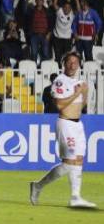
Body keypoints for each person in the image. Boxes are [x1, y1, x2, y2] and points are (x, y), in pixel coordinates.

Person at [30, 52, 96, 209]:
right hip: (65, 123)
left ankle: (75, 197)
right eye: (70, 62)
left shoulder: (79, 82)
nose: (73, 65)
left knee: (78, 160)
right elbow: (59, 105)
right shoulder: (60, 81)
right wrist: (77, 93)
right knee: (69, 162)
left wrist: (84, 93)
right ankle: (38, 186)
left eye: (75, 62)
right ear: (64, 64)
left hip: (78, 125)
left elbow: (82, 106)